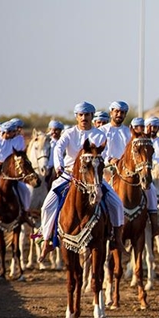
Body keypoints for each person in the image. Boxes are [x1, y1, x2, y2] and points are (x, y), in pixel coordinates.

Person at [39, 101, 126, 262]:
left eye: (87, 115)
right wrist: (59, 166)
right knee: (47, 205)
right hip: (69, 175)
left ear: (92, 116)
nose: (84, 118)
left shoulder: (99, 135)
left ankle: (117, 238)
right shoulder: (69, 133)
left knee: (117, 203)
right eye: (81, 115)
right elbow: (58, 148)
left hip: (93, 177)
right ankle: (47, 240)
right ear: (77, 117)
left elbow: (103, 154)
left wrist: (108, 162)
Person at [104, 104, 159, 235]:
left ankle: (154, 225)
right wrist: (110, 160)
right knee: (99, 190)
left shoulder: (128, 132)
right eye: (117, 111)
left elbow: (134, 152)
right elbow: (100, 152)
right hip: (107, 169)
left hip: (128, 170)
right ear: (111, 112)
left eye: (122, 112)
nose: (119, 114)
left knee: (151, 189)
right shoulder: (102, 131)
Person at [0, 120, 32, 222]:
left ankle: (25, 212)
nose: (16, 133)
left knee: (26, 190)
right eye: (13, 131)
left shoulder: (16, 140)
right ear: (6, 132)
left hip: (11, 174)